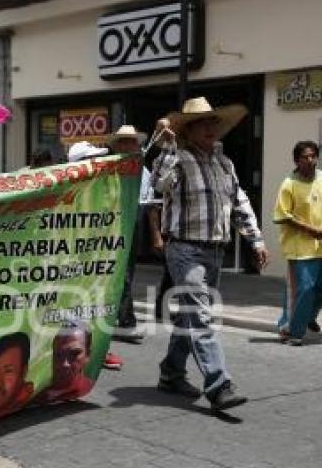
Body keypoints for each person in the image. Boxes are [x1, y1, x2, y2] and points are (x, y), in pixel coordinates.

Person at [152, 97, 269, 411]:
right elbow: (159, 184)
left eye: (213, 122)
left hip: (215, 250)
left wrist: (255, 241)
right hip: (184, 249)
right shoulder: (178, 157)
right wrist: (167, 149)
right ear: (189, 130)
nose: (210, 128)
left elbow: (239, 202)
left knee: (192, 315)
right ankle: (219, 384)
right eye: (203, 123)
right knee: (202, 316)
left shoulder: (224, 163)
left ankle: (171, 372)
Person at [66, 140, 125, 371]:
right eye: (92, 160)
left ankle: (98, 349)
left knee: (95, 303)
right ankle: (85, 349)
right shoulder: (68, 193)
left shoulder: (102, 188)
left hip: (96, 259)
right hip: (73, 261)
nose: (98, 164)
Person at [274, 141, 322, 346]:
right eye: (305, 157)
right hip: (300, 248)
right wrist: (310, 230)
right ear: (296, 160)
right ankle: (294, 331)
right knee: (305, 288)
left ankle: (307, 316)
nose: (310, 160)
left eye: (313, 156)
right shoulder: (289, 184)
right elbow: (283, 216)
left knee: (320, 288)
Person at [108, 124, 153, 344]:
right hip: (112, 227)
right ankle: (128, 322)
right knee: (122, 276)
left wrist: (156, 235)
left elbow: (150, 204)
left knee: (127, 275)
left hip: (133, 227)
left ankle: (116, 316)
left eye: (131, 141)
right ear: (116, 146)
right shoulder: (108, 169)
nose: (127, 145)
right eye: (123, 141)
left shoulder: (144, 172)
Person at [35, 321, 94, 404]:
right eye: (58, 354)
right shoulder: (34, 393)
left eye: (74, 354)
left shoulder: (85, 387)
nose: (65, 364)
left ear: (88, 355)